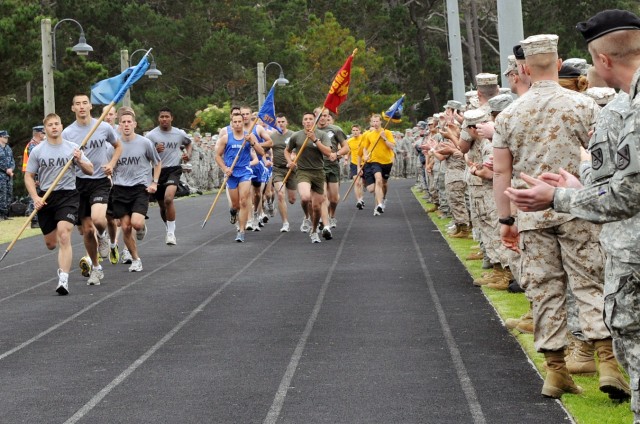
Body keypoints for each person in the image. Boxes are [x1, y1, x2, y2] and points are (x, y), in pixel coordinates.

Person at [504, 10, 640, 418]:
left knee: (545, 289)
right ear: (559, 62)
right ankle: (606, 364)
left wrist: (507, 219)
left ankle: (556, 370)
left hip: (543, 208)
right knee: (589, 284)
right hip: (582, 214)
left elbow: (503, 174)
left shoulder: (510, 113)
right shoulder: (587, 105)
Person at [25, 113, 93, 295]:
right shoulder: (37, 151)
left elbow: (91, 170)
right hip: (46, 197)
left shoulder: (73, 149)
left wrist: (79, 160)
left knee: (64, 235)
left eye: (57, 124)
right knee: (51, 243)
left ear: (61, 126)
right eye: (50, 125)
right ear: (45, 128)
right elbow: (29, 176)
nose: (54, 127)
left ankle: (63, 278)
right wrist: (35, 198)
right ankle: (61, 270)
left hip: (68, 196)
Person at [62, 94, 121, 286]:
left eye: (84, 103)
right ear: (73, 108)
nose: (81, 107)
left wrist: (111, 163)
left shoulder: (102, 127)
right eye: (77, 104)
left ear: (90, 106)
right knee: (87, 231)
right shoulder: (68, 133)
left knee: (98, 219)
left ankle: (103, 236)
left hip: (100, 180)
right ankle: (96, 268)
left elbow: (118, 146)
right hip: (78, 183)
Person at [111, 107, 162, 272]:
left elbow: (157, 162)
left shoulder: (144, 142)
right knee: (125, 227)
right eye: (123, 122)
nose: (126, 125)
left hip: (140, 188)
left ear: (134, 124)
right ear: (119, 125)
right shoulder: (113, 145)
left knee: (136, 224)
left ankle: (141, 227)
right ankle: (136, 259)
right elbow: (107, 165)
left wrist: (154, 182)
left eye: (129, 122)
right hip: (119, 189)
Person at [146, 108, 192, 245]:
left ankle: (171, 233)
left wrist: (187, 155)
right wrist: (154, 150)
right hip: (158, 171)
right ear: (158, 119)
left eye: (167, 116)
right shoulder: (151, 136)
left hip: (174, 169)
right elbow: (144, 153)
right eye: (162, 117)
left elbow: (188, 143)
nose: (164, 119)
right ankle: (168, 227)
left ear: (172, 118)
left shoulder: (179, 133)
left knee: (168, 198)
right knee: (162, 206)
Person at [215, 112, 264, 242]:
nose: (237, 124)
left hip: (245, 172)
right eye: (235, 122)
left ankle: (241, 231)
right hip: (231, 173)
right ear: (232, 124)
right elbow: (217, 156)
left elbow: (261, 152)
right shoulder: (226, 138)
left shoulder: (250, 136)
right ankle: (232, 212)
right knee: (235, 205)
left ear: (243, 123)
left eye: (239, 122)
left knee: (244, 201)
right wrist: (225, 168)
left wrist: (252, 142)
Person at [285, 112, 333, 243]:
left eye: (310, 119)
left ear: (314, 121)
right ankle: (306, 216)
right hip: (303, 171)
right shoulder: (296, 136)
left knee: (317, 207)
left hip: (318, 172)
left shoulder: (322, 135)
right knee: (305, 197)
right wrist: (290, 161)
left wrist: (314, 140)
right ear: (302, 122)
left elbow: (328, 152)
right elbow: (287, 150)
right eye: (305, 119)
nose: (308, 121)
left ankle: (314, 230)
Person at [315, 107, 349, 240]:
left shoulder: (336, 130)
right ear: (315, 116)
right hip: (318, 168)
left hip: (333, 166)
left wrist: (337, 154)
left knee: (334, 199)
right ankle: (326, 225)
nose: (322, 118)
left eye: (325, 115)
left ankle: (331, 215)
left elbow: (346, 147)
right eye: (320, 116)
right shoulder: (311, 132)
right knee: (323, 197)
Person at [361, 114, 395, 217]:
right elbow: (365, 148)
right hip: (375, 161)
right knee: (378, 180)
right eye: (373, 122)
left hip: (387, 162)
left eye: (377, 121)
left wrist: (384, 138)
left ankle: (383, 198)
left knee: (384, 183)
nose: (375, 124)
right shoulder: (369, 135)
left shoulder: (387, 133)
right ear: (371, 123)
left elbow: (392, 146)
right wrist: (366, 156)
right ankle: (379, 205)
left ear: (381, 122)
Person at [270, 114, 298, 232]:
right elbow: (265, 150)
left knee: (292, 199)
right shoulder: (272, 137)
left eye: (282, 121)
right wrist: (267, 159)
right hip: (277, 169)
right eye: (278, 122)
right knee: (280, 194)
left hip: (291, 170)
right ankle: (285, 223)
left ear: (286, 123)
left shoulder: (293, 135)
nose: (280, 124)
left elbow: (297, 151)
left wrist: (292, 158)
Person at [22, 126, 46, 227]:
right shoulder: (33, 146)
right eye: (43, 133)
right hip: (34, 177)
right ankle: (34, 221)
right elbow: (36, 164)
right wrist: (37, 179)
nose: (45, 135)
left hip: (37, 177)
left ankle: (38, 220)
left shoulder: (37, 145)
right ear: (39, 134)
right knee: (34, 198)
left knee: (39, 198)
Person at [347, 124, 365, 209]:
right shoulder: (349, 141)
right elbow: (348, 151)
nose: (355, 132)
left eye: (357, 130)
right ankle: (359, 200)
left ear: (360, 131)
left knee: (361, 183)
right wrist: (346, 158)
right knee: (356, 182)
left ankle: (361, 198)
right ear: (351, 131)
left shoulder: (364, 139)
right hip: (354, 163)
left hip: (364, 163)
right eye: (353, 130)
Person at [0, 130, 15, 220]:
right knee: (1, 194)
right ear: (0, 137)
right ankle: (0, 214)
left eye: (7, 137)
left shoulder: (8, 148)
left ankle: (5, 213)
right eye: (5, 137)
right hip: (1, 174)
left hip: (8, 175)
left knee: (8, 194)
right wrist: (6, 169)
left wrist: (11, 169)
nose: (6, 139)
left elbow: (12, 160)